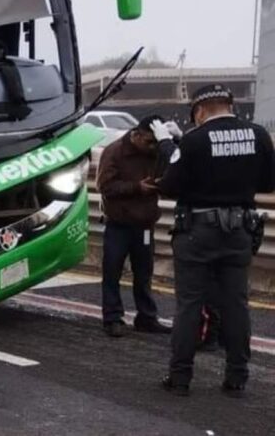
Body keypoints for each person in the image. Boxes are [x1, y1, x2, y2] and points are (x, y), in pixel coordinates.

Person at [151, 84, 275, 397]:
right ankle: (237, 377)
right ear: (230, 105)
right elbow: (268, 183)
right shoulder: (259, 134)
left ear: (200, 111)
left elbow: (169, 186)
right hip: (239, 230)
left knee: (190, 304)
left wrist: (168, 145)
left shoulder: (194, 140)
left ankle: (180, 378)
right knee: (236, 305)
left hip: (198, 231)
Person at [96, 114, 171, 337]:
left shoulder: (156, 152)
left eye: (155, 142)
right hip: (118, 224)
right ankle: (112, 318)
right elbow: (105, 186)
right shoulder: (114, 151)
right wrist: (136, 188)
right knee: (112, 272)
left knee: (144, 273)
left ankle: (146, 317)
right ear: (136, 135)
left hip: (145, 224)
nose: (152, 146)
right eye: (149, 141)